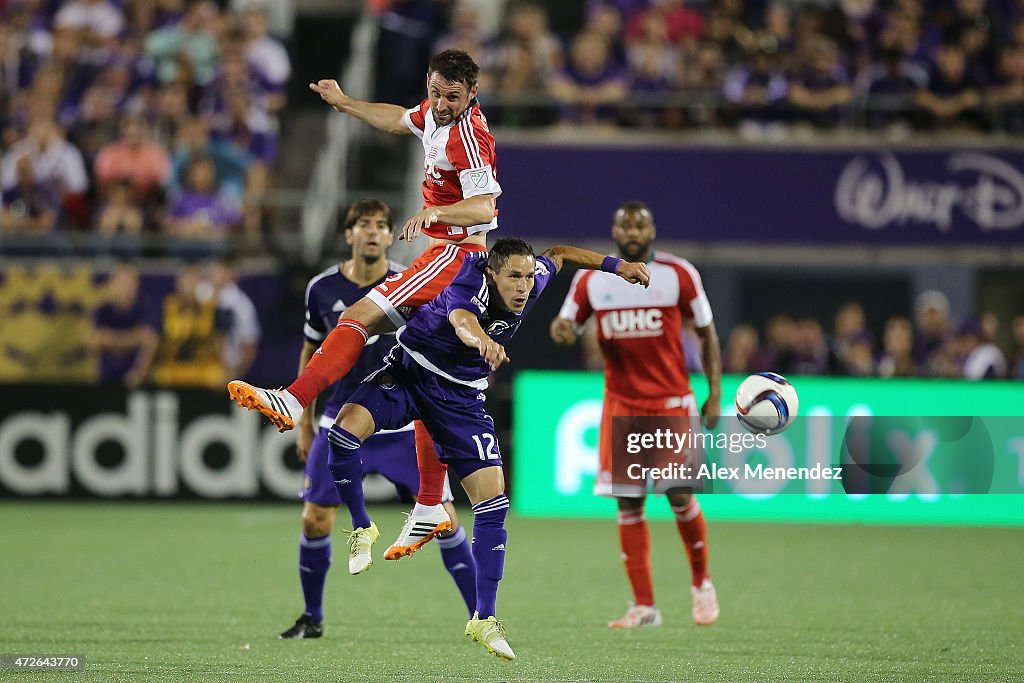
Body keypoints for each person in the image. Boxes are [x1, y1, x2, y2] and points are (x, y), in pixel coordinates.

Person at [317, 236, 650, 660]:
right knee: (343, 433)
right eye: (513, 277)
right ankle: (362, 527)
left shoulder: (534, 279)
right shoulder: (467, 279)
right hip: (411, 373)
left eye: (528, 277)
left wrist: (615, 265)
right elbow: (460, 318)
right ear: (492, 273)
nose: (523, 287)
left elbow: (560, 254)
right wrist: (481, 340)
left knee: (493, 504)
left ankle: (483, 618)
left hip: (459, 401)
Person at [229, 49, 501, 550]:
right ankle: (430, 504)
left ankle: (293, 400)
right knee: (427, 372)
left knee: (358, 316)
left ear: (472, 95)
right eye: (436, 91)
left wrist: (435, 219)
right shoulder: (436, 114)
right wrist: (346, 102)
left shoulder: (469, 136)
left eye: (452, 97)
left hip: (457, 255)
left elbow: (485, 205)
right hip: (450, 255)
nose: (441, 104)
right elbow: (401, 120)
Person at [279, 199, 477, 640]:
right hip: (341, 421)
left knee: (444, 518)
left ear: (391, 236)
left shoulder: (411, 282)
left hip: (401, 425)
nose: (372, 232)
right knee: (314, 519)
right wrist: (306, 424)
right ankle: (312, 617)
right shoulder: (322, 289)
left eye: (381, 226)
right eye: (363, 225)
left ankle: (481, 615)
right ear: (349, 235)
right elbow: (312, 352)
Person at [550, 200, 722, 629]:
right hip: (622, 405)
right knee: (629, 502)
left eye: (639, 225)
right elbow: (565, 325)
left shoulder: (678, 274)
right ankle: (644, 606)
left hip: (671, 403)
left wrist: (715, 392)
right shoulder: (591, 280)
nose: (631, 232)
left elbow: (706, 333)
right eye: (624, 225)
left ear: (652, 231)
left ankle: (701, 583)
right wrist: (563, 331)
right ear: (613, 231)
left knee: (680, 496)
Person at [90, 262, 158, 388]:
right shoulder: (102, 311)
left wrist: (111, 339)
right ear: (113, 284)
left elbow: (150, 341)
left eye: (129, 284)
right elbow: (96, 341)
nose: (125, 288)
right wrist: (134, 338)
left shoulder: (144, 309)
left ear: (136, 285)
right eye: (121, 283)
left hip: (135, 380)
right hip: (106, 377)